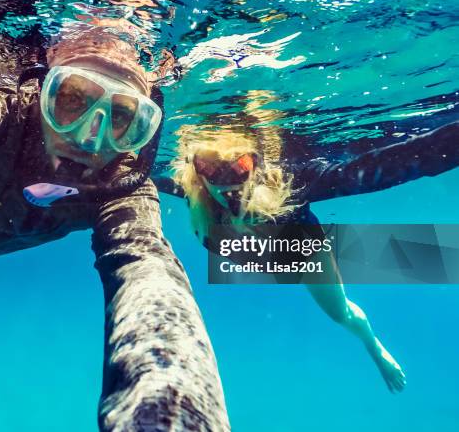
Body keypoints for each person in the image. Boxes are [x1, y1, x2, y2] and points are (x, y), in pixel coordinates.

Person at [0, 29, 230, 431]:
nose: (87, 136)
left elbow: (149, 273)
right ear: (43, 88)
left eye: (120, 118)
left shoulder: (122, 186)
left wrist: (174, 410)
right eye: (71, 100)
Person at [155, 90, 458, 394]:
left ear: (257, 164)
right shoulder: (192, 191)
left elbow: (375, 171)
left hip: (300, 250)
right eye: (209, 166)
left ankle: (374, 346)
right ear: (195, 170)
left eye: (239, 166)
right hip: (250, 252)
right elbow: (138, 170)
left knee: (342, 313)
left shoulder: (291, 184)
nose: (225, 180)